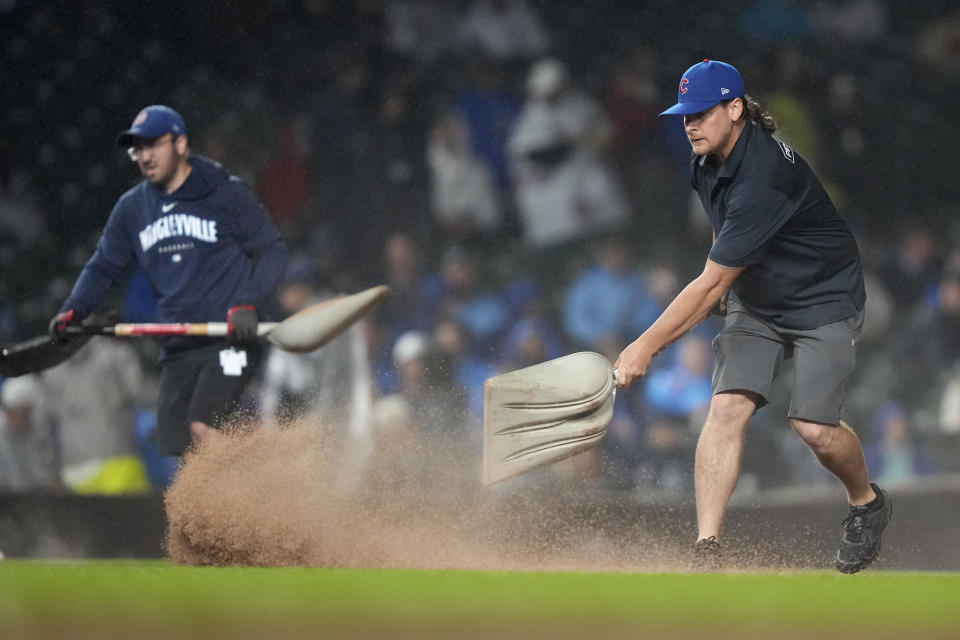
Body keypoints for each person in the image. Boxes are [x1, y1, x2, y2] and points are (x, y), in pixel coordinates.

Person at [614, 60, 891, 574]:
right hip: (759, 298)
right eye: (684, 116)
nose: (690, 125)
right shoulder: (706, 162)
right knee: (724, 410)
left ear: (735, 108)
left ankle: (866, 502)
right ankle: (708, 550)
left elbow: (712, 281)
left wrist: (645, 345)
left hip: (822, 299)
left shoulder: (764, 172)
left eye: (701, 113)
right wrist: (722, 282)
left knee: (814, 428)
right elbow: (725, 239)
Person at [48, 105, 288, 456]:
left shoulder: (225, 192)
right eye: (137, 149)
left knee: (204, 427)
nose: (144, 156)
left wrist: (249, 303)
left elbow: (273, 250)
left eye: (152, 145)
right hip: (179, 349)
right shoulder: (131, 209)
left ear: (180, 144)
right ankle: (221, 503)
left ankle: (253, 499)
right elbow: (103, 267)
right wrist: (74, 309)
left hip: (231, 341)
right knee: (177, 448)